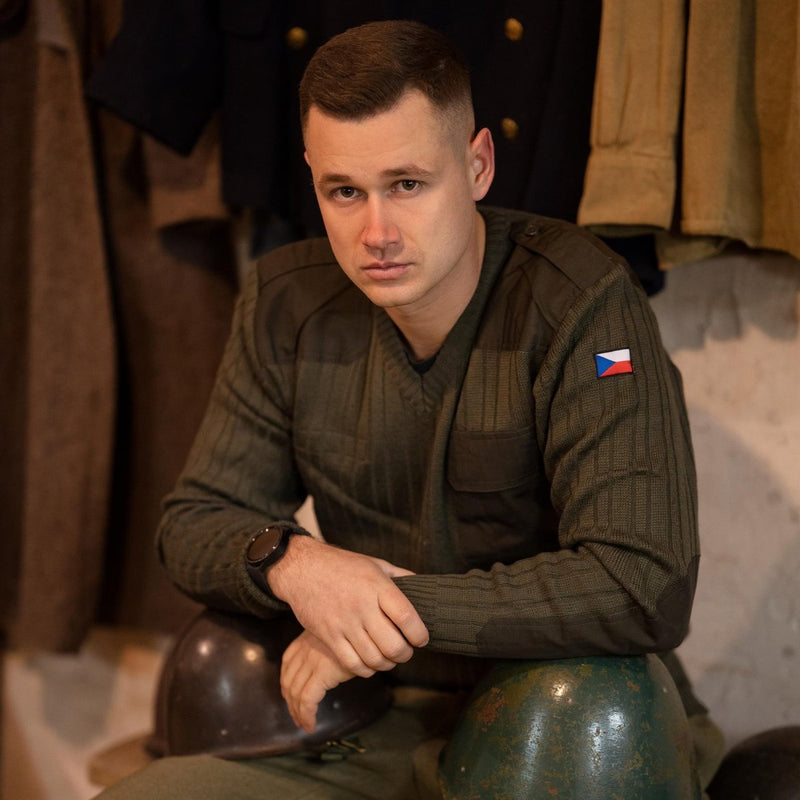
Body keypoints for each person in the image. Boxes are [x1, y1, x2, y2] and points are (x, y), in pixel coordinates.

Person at [97, 19, 723, 800]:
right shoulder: (283, 303)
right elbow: (192, 521)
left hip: (575, 730)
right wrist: (293, 564)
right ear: (312, 180)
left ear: (478, 165)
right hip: (371, 714)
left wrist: (381, 608)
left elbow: (643, 582)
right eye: (344, 192)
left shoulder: (582, 303)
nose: (377, 232)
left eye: (408, 184)